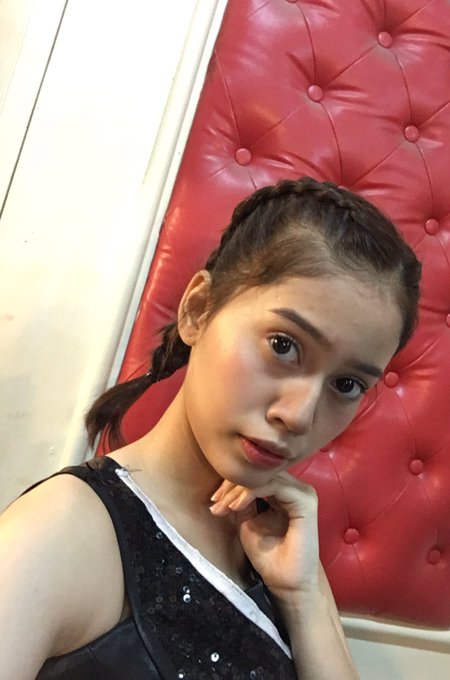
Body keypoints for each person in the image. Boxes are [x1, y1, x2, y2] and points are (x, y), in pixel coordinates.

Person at [0, 177, 421, 679]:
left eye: (347, 385)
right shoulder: (61, 532)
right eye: (283, 345)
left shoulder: (280, 547)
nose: (299, 415)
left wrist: (305, 597)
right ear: (198, 309)